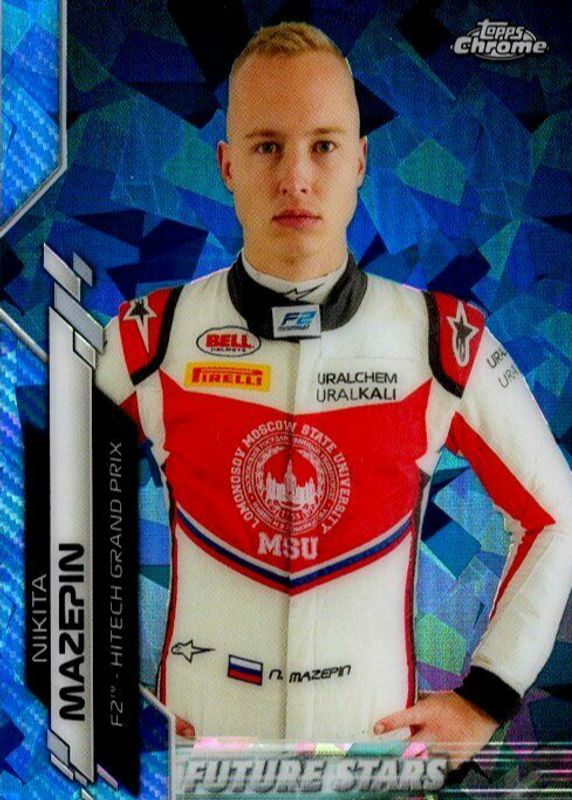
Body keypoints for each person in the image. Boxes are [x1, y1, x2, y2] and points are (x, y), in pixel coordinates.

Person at [96, 22, 572, 767]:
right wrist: (97, 697)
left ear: (360, 161)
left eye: (322, 145)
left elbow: (555, 515)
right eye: (266, 146)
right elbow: (41, 513)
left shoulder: (442, 340)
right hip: (197, 772)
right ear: (226, 164)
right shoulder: (147, 338)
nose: (296, 177)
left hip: (372, 770)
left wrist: (486, 697)